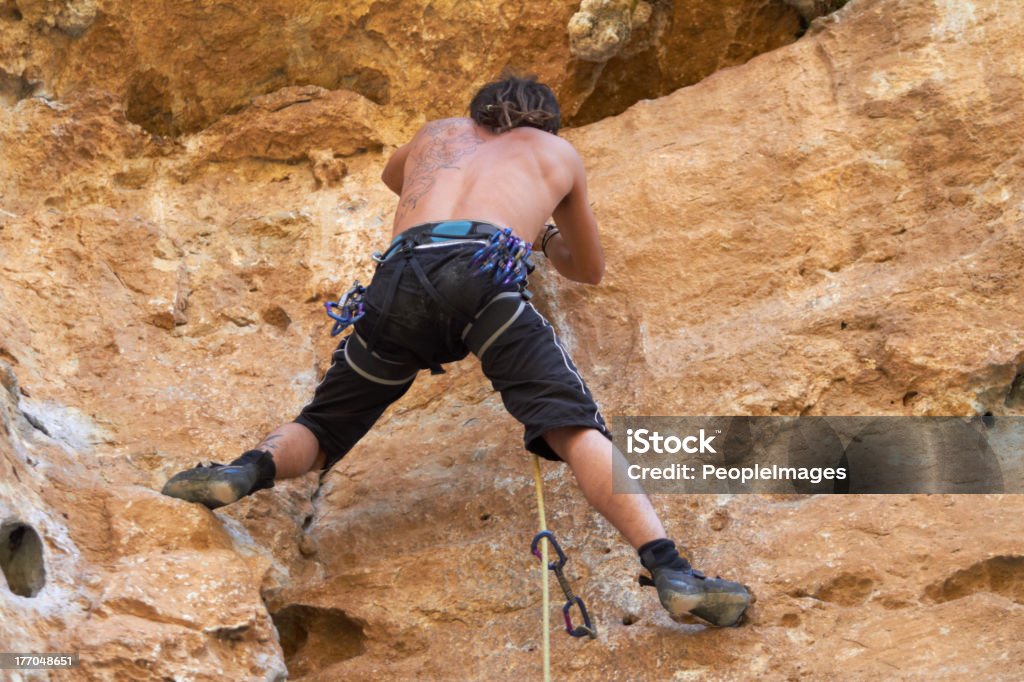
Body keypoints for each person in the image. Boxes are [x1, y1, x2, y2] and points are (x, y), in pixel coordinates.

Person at [162, 74, 751, 627]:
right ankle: (673, 571)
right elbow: (588, 270)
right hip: (481, 274)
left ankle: (242, 471)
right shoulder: (556, 154)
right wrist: (539, 232)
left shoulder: (436, 134)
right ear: (547, 122)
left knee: (322, 423)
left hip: (396, 279)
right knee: (572, 427)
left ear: (478, 110)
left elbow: (396, 179)